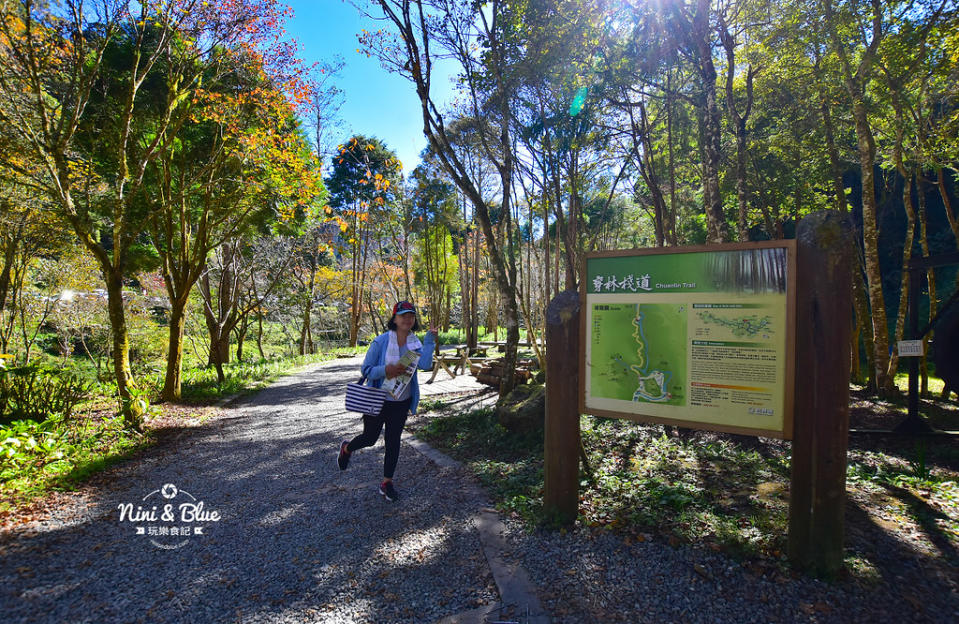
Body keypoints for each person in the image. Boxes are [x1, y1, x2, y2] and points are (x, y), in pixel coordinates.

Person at [337, 300, 437, 501]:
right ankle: (347, 448)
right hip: (378, 399)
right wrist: (386, 370)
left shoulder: (415, 343)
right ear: (394, 318)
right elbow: (366, 370)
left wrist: (430, 341)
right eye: (403, 315)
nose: (407, 319)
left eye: (411, 315)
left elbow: (425, 364)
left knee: (393, 442)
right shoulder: (381, 342)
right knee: (370, 438)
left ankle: (386, 482)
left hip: (401, 401)